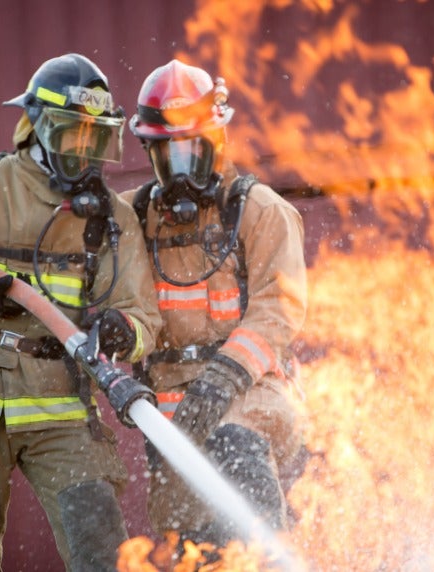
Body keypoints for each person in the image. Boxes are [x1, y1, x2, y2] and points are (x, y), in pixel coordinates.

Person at [0, 53, 161, 571]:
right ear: (37, 127)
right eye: (72, 134)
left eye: (96, 139)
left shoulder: (113, 218)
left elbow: (142, 316)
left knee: (101, 547)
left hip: (60, 401)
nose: (84, 153)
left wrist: (123, 330)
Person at [122, 59, 307, 554]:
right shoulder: (134, 219)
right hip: (172, 419)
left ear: (218, 143)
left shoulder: (258, 210)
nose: (181, 171)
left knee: (235, 460)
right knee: (194, 547)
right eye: (169, 156)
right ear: (150, 154)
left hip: (252, 396)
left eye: (192, 152)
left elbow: (280, 309)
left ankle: (269, 560)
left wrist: (223, 377)